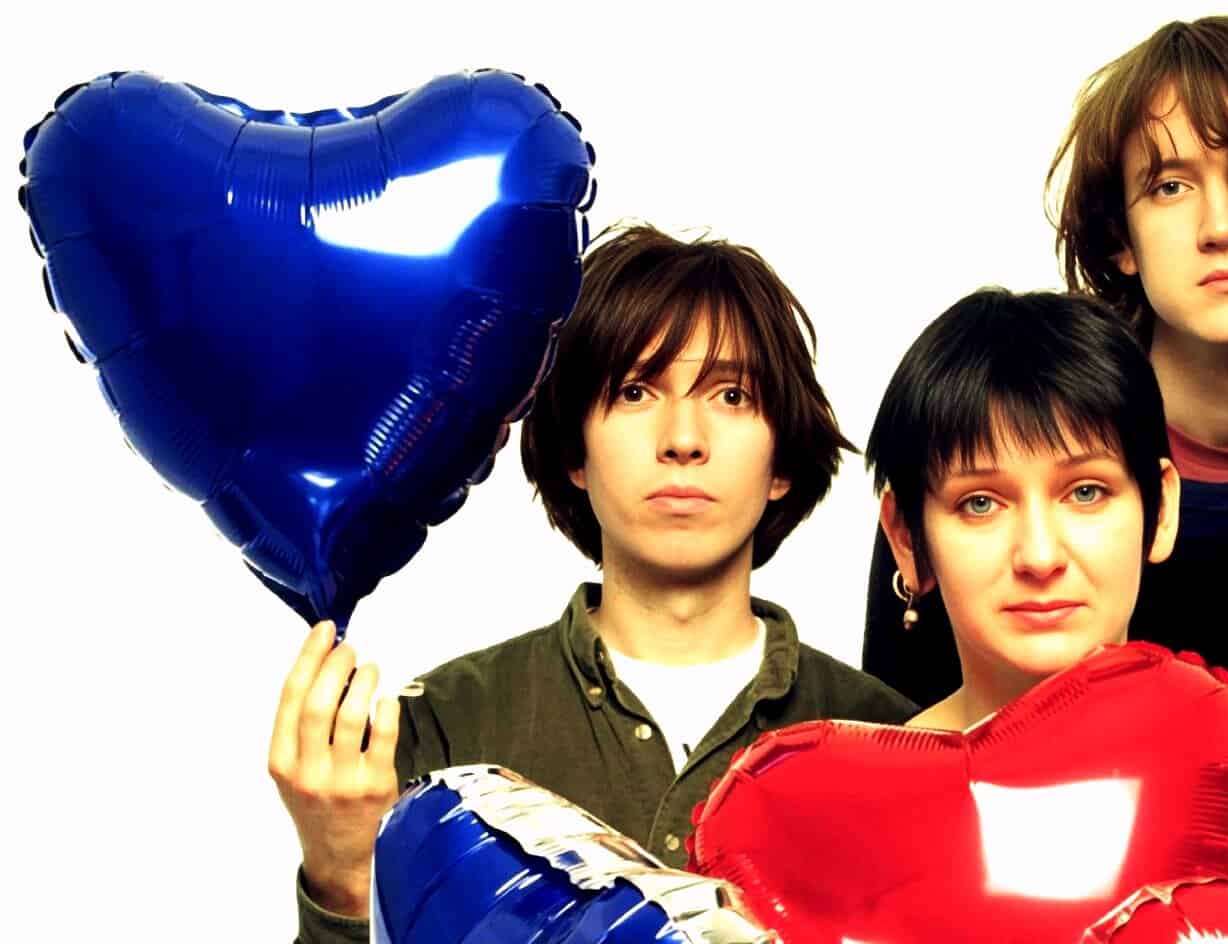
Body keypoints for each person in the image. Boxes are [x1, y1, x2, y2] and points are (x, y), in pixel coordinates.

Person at [268, 223, 918, 944]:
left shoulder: (894, 740)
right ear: (575, 449)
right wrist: (342, 880)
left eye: (730, 395)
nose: (682, 438)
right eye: (636, 391)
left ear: (783, 460)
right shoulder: (445, 726)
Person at [864, 14, 1228, 711]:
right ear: (1120, 236)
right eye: (1169, 187)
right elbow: (908, 743)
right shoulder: (1000, 430)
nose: (1219, 228)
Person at [868, 288, 1228, 912]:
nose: (1039, 555)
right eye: (981, 503)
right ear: (905, 535)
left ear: (1161, 509)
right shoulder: (843, 815)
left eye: (1086, 493)